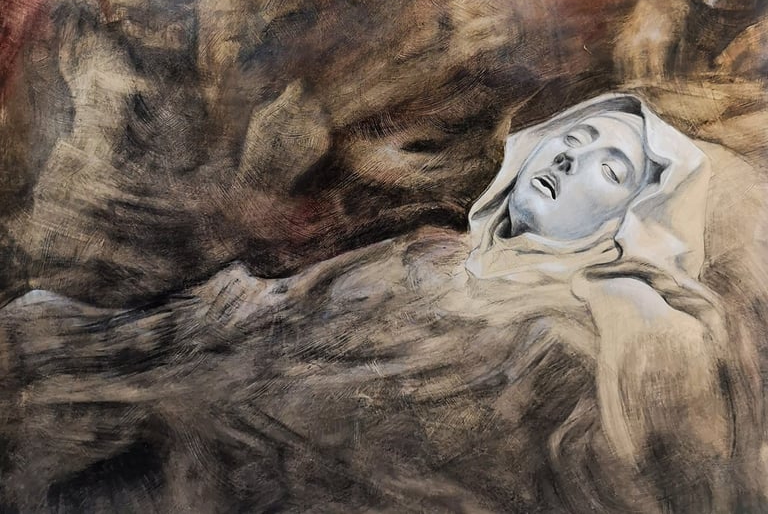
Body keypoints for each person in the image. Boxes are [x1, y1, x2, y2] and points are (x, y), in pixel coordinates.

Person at [0, 95, 749, 514]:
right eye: (574, 138)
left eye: (608, 170)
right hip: (220, 382)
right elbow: (275, 306)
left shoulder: (578, 327)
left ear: (631, 223)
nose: (568, 158)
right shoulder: (431, 252)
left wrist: (633, 294)